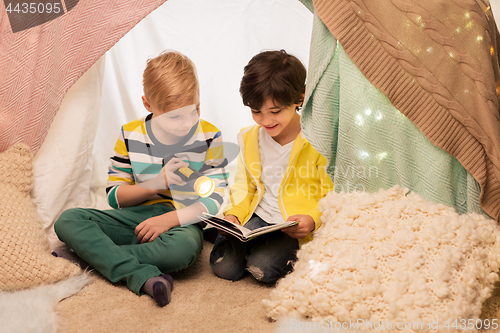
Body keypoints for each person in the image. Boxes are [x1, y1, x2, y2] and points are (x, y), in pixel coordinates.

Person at [53, 51, 228, 307]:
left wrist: (168, 220)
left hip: (180, 221)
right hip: (134, 218)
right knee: (68, 220)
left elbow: (213, 200)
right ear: (148, 104)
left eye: (195, 110)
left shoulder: (210, 136)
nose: (187, 123)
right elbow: (115, 196)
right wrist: (156, 184)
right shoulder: (130, 134)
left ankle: (89, 256)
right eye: (174, 117)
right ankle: (142, 275)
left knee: (184, 250)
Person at [209, 50, 334, 283]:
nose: (266, 121)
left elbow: (330, 192)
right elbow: (244, 186)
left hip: (291, 223)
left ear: (299, 99)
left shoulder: (316, 141)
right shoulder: (249, 139)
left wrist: (312, 220)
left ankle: (261, 252)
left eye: (275, 112)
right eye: (256, 112)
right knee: (224, 267)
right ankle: (243, 242)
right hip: (257, 215)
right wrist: (234, 215)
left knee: (263, 268)